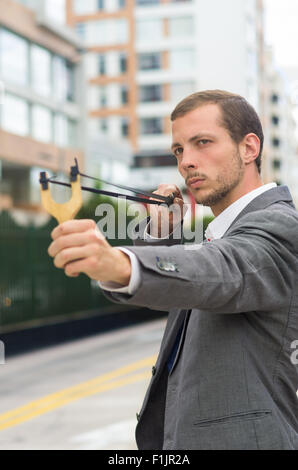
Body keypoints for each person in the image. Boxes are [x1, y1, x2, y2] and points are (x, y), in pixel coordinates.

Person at [48, 90, 298, 450]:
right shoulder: (222, 233)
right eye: (179, 150)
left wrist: (121, 261)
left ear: (249, 148)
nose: (186, 162)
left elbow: (222, 269)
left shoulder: (279, 226)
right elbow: (189, 285)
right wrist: (161, 234)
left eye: (203, 142)